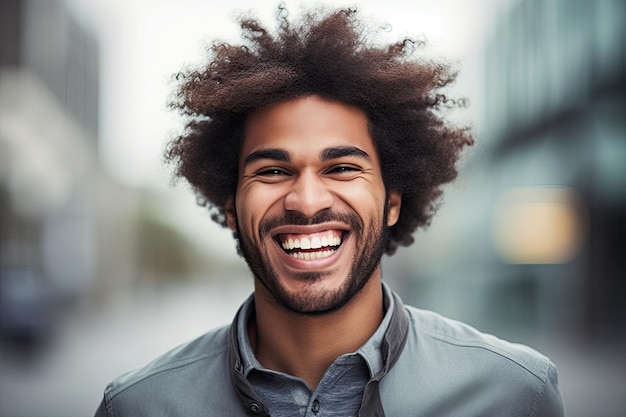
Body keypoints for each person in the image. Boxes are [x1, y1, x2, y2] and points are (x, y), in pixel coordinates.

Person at [95, 5, 564, 416]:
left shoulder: (514, 395)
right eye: (273, 172)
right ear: (232, 207)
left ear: (393, 201)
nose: (308, 201)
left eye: (341, 168)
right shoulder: (139, 406)